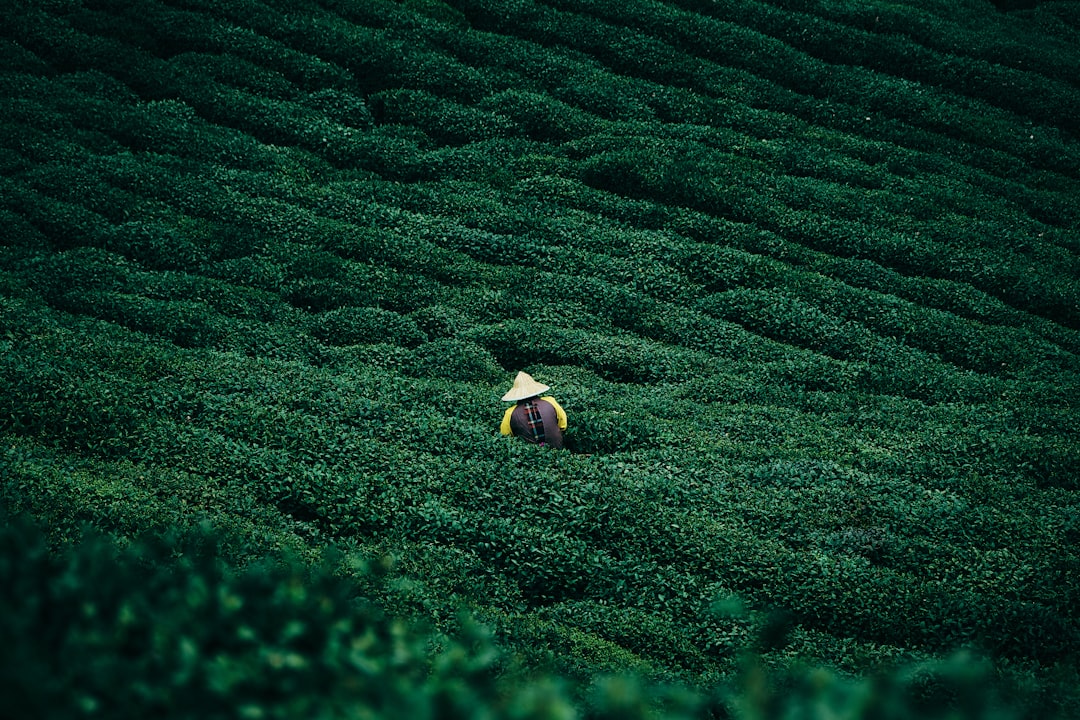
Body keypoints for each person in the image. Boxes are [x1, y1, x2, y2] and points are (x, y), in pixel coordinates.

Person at [499, 371, 568, 449]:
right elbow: (563, 425)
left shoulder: (510, 413)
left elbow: (505, 436)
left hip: (530, 457)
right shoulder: (551, 401)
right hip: (557, 451)